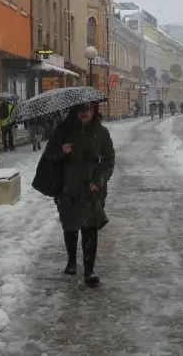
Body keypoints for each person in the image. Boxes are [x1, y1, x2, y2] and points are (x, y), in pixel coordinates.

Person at [44, 102, 116, 286]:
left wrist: (98, 182)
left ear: (95, 111)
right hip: (67, 186)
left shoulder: (101, 132)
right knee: (70, 225)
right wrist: (61, 150)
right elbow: (49, 154)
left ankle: (89, 270)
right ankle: (71, 261)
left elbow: (109, 160)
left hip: (91, 188)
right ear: (75, 110)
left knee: (90, 227)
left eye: (90, 109)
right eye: (82, 109)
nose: (86, 112)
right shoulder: (63, 130)